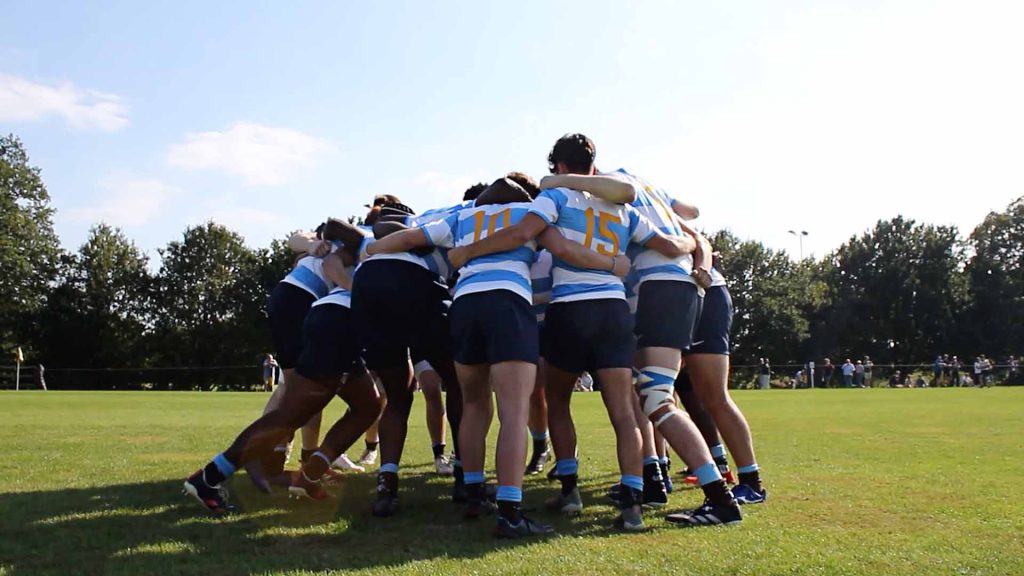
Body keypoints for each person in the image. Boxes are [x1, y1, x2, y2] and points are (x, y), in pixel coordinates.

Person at [447, 134, 721, 530]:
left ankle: (570, 489)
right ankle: (632, 503)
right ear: (595, 166)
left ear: (557, 166)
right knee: (625, 411)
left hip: (569, 309)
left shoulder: (554, 198)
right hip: (613, 310)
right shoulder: (622, 208)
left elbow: (538, 237)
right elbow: (667, 242)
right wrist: (693, 247)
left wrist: (469, 252)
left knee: (556, 400)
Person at [368, 176, 583, 536]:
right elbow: (565, 248)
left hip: (465, 304)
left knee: (473, 404)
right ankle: (510, 512)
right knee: (514, 411)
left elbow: (405, 237)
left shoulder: (463, 216)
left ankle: (472, 492)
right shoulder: (532, 212)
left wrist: (372, 252)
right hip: (509, 300)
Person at [184, 248, 384, 512]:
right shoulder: (414, 234)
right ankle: (209, 477)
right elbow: (328, 246)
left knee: (369, 404)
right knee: (293, 412)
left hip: (331, 317)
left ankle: (309, 475)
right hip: (336, 322)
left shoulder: (377, 242)